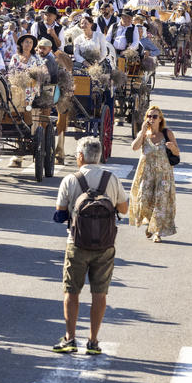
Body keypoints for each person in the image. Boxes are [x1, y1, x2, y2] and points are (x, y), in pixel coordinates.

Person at [53, 137, 128, 355]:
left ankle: (70, 339)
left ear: (80, 156)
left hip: (76, 243)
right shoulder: (111, 179)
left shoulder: (70, 180)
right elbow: (123, 209)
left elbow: (60, 214)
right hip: (105, 246)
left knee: (71, 292)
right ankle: (93, 341)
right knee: (100, 294)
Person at [129, 106, 178, 242]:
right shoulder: (144, 134)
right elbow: (134, 147)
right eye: (149, 116)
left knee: (160, 202)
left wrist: (172, 147)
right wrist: (142, 132)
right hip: (147, 175)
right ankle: (150, 223)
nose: (151, 119)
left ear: (160, 119)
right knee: (144, 201)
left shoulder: (167, 133)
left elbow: (177, 153)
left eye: (154, 116)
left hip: (163, 175)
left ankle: (157, 232)